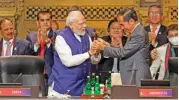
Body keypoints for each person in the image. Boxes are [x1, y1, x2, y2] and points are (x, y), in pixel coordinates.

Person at [92, 9, 151, 86]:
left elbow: (123, 53)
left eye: (122, 25)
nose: (122, 28)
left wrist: (104, 48)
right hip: (131, 73)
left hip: (136, 74)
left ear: (131, 21)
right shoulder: (136, 31)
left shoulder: (138, 33)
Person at [48, 11, 101, 97]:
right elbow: (68, 61)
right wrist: (88, 53)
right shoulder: (61, 37)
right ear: (71, 25)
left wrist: (96, 53)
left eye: (85, 22)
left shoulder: (86, 36)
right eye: (81, 24)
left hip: (83, 87)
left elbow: (94, 61)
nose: (85, 26)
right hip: (63, 88)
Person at [26, 10, 56, 77]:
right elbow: (28, 55)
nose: (45, 22)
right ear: (37, 22)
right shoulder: (31, 36)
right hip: (35, 74)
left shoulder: (57, 35)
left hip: (52, 74)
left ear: (51, 22)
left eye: (47, 20)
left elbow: (57, 54)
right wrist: (37, 45)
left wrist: (48, 42)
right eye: (42, 20)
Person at [98, 18, 127, 84]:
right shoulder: (102, 41)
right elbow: (97, 59)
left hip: (123, 77)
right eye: (113, 28)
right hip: (105, 77)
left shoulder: (128, 41)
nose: (116, 30)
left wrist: (121, 47)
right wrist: (110, 46)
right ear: (108, 30)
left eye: (119, 28)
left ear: (123, 30)